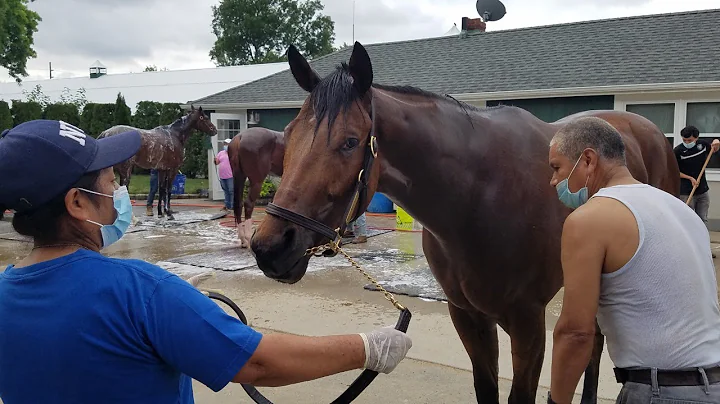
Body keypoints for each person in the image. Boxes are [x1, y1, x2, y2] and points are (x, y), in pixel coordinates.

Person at [0, 120, 412, 403]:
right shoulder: (140, 291)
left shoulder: (4, 291)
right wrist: (365, 348)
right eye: (109, 179)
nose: (118, 186)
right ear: (77, 203)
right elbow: (257, 361)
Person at [546, 117, 720, 404]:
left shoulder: (589, 220)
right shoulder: (682, 211)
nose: (554, 180)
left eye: (557, 167)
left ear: (588, 160)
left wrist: (558, 401)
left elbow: (576, 332)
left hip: (660, 390)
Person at [674, 126, 720, 257]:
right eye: (684, 140)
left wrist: (717, 143)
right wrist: (689, 178)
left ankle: (705, 250)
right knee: (688, 221)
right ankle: (689, 251)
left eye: (689, 140)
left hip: (702, 191)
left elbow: (715, 144)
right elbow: (674, 171)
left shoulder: (703, 145)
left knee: (702, 220)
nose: (687, 143)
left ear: (696, 138)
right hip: (686, 192)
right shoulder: (678, 151)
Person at [214, 138, 234, 212]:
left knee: (231, 191)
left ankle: (232, 206)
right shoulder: (221, 153)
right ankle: (227, 206)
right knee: (226, 191)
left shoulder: (234, 153)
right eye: (225, 144)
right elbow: (217, 162)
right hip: (222, 176)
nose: (225, 145)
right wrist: (215, 160)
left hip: (230, 176)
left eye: (227, 144)